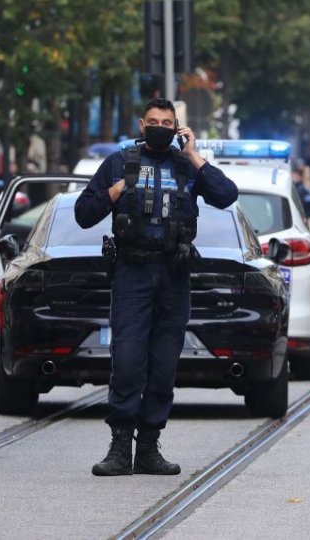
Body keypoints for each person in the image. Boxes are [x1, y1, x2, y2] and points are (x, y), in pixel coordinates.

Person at [75, 98, 238, 477]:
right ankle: (120, 447)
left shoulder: (187, 166)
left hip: (173, 274)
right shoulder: (119, 162)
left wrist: (195, 155)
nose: (160, 126)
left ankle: (149, 446)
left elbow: (226, 195)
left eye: (168, 121)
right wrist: (114, 193)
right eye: (154, 121)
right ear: (142, 124)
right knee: (128, 361)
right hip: (132, 272)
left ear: (178, 127)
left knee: (164, 364)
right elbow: (84, 214)